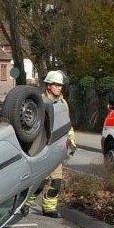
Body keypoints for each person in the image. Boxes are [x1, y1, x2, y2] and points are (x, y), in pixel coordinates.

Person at [24, 70, 76, 218]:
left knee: (57, 181)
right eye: (56, 85)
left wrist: (71, 140)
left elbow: (67, 124)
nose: (59, 88)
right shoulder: (39, 102)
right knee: (40, 181)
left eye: (60, 85)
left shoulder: (63, 103)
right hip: (41, 147)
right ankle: (26, 203)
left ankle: (49, 208)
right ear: (48, 86)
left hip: (57, 147)